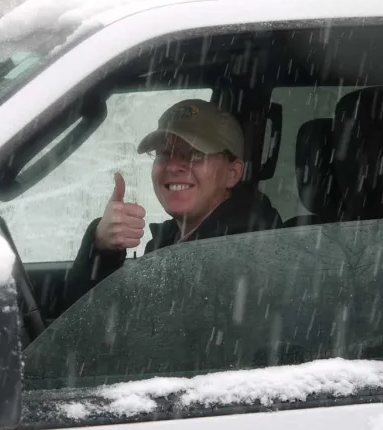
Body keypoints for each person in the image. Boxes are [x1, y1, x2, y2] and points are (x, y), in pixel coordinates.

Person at [59, 99, 282, 313]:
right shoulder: (171, 240)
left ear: (232, 174)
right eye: (164, 153)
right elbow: (84, 323)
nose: (173, 165)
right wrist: (101, 246)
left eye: (195, 154)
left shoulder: (246, 255)